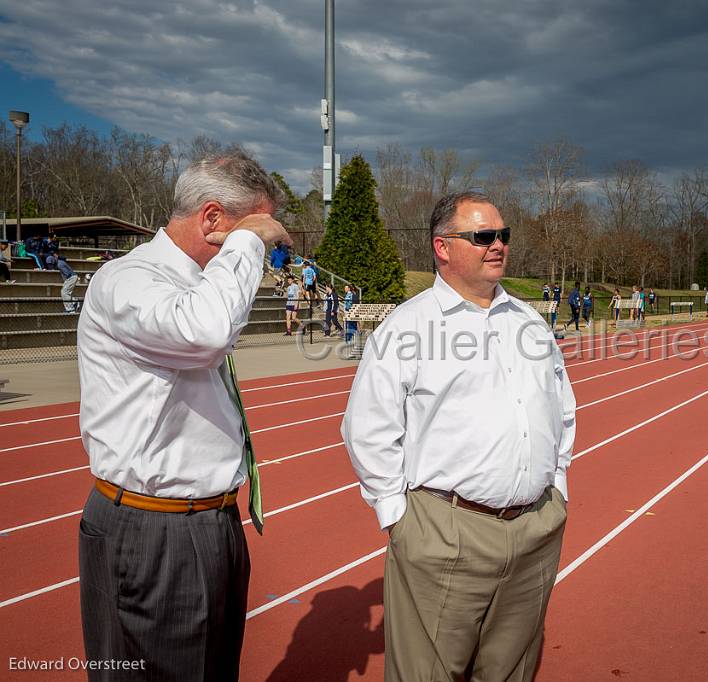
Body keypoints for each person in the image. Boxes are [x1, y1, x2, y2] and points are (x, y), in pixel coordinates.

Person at [343, 191, 575, 682]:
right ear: (442, 247)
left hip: (535, 529)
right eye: (482, 236)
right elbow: (367, 427)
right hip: (444, 531)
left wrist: (557, 487)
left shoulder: (530, 323)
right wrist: (398, 518)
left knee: (512, 673)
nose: (497, 246)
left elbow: (562, 409)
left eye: (502, 236)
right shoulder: (407, 327)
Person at [75, 150, 290, 681]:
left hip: (210, 521)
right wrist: (246, 242)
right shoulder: (129, 279)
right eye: (253, 229)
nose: (260, 247)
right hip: (154, 527)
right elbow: (204, 333)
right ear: (213, 219)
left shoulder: (198, 283)